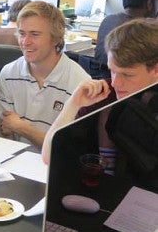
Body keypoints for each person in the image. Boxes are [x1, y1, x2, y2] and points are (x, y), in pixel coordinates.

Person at [42, 18, 158, 172]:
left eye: (127, 75)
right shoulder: (105, 93)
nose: (116, 83)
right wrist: (73, 104)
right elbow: (48, 156)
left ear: (156, 70)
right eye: (112, 70)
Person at [0, 1, 91, 149]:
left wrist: (21, 127)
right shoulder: (9, 74)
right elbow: (6, 134)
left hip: (54, 167)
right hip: (16, 161)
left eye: (34, 34)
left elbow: (64, 149)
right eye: (22, 33)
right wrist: (8, 130)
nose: (25, 42)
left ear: (56, 38)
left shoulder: (79, 84)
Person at [95, 0, 158, 65]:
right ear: (150, 4)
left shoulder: (107, 21)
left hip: (104, 77)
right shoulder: (142, 31)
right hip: (125, 78)